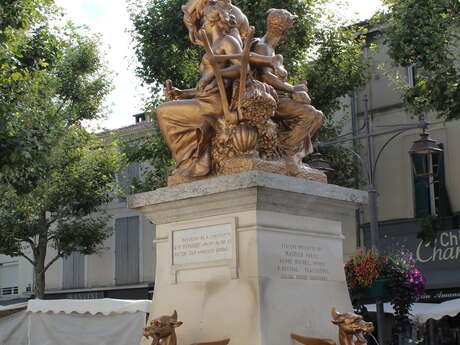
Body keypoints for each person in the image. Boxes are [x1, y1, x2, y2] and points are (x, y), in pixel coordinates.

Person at [156, 1, 243, 177]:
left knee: (163, 112)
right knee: (165, 111)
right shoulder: (212, 47)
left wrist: (215, 74)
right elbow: (205, 86)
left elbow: (243, 68)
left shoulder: (228, 41)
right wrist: (182, 93)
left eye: (203, 21)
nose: (201, 25)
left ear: (212, 22)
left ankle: (187, 162)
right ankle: (190, 161)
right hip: (204, 99)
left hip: (215, 104)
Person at [251, 9, 324, 171]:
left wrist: (296, 89)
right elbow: (267, 77)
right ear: (282, 28)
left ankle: (290, 154)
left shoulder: (271, 48)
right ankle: (288, 154)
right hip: (272, 100)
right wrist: (293, 89)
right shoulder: (263, 47)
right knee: (309, 114)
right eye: (289, 26)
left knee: (317, 116)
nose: (289, 31)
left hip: (280, 98)